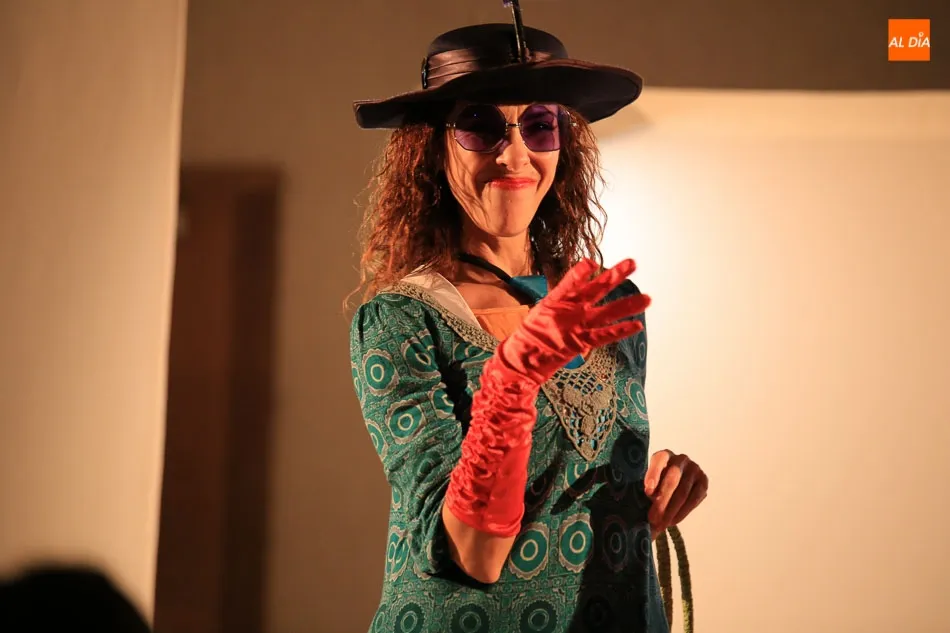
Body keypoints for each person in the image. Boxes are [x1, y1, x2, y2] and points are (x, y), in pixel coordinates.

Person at [347, 4, 708, 632]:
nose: (515, 155)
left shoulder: (606, 305)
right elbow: (472, 555)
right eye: (480, 126)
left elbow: (566, 494)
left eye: (539, 126)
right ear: (433, 149)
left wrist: (642, 494)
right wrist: (513, 378)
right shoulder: (402, 320)